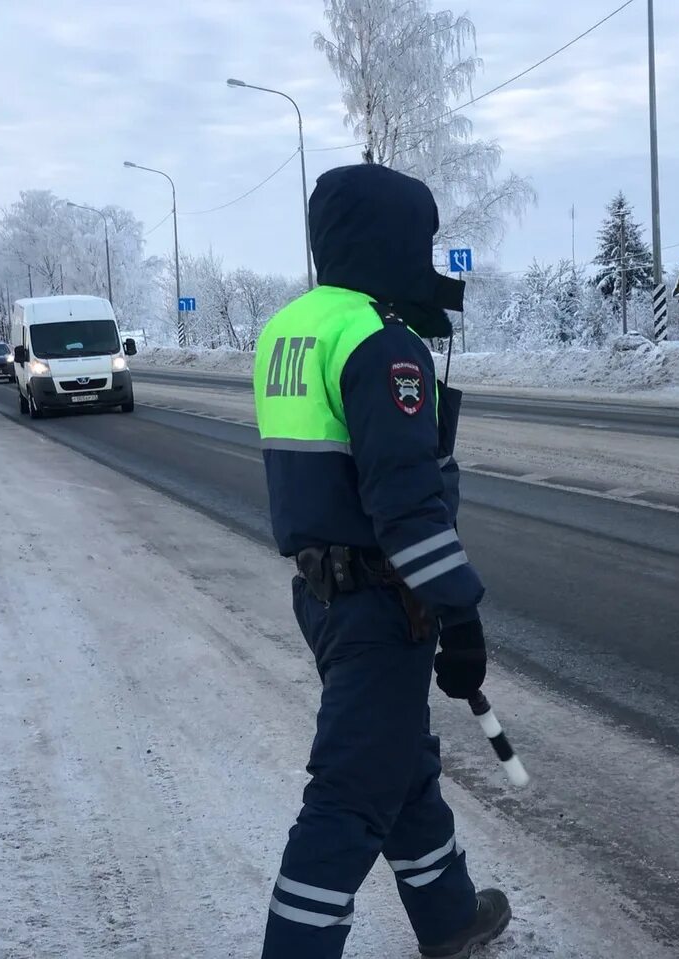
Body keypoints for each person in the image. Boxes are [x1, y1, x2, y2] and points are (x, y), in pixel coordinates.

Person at [252, 163, 511, 959]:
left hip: (322, 596)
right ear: (392, 239)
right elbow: (407, 503)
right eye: (419, 239)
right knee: (351, 792)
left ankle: (449, 917)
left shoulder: (289, 329)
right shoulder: (381, 342)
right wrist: (460, 615)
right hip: (379, 604)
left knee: (400, 763)